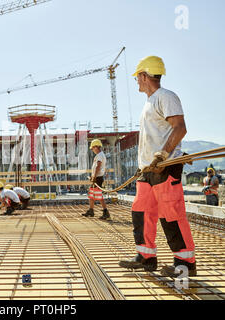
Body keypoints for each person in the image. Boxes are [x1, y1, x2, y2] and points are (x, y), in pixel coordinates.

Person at [118, 56, 197, 277]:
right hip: (148, 170)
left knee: (171, 215)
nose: (136, 82)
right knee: (141, 212)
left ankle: (185, 263)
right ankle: (146, 257)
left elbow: (180, 128)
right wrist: (143, 164)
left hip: (166, 167)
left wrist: (163, 155)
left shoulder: (166, 97)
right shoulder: (149, 102)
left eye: (137, 78)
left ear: (144, 75)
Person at [82, 139, 110, 220]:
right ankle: (91, 210)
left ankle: (106, 212)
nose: (92, 150)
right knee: (91, 194)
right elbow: (96, 167)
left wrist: (94, 176)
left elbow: (98, 166)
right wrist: (93, 176)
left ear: (96, 147)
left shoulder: (100, 155)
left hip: (98, 178)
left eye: (93, 148)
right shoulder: (99, 155)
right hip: (96, 177)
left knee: (99, 195)